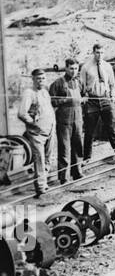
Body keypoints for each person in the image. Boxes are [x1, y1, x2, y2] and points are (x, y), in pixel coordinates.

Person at [79, 43, 115, 164]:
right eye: (97, 52)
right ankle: (86, 158)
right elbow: (81, 86)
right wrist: (85, 96)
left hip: (106, 100)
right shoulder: (86, 67)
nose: (99, 55)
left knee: (113, 129)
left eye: (101, 53)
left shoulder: (107, 67)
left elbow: (112, 85)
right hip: (92, 101)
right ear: (93, 53)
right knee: (89, 131)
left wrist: (112, 98)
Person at [17, 68, 55, 196]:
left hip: (49, 130)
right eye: (38, 79)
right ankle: (40, 187)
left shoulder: (45, 91)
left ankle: (44, 183)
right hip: (37, 133)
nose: (41, 81)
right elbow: (22, 113)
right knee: (40, 160)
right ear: (33, 79)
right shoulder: (29, 93)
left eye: (43, 78)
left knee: (48, 158)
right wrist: (33, 123)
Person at [48, 58, 84, 184]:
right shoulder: (58, 83)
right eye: (71, 68)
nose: (73, 71)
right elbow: (51, 101)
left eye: (76, 68)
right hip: (64, 119)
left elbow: (85, 95)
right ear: (66, 68)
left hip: (78, 118)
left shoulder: (79, 82)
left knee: (78, 145)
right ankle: (63, 177)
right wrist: (65, 100)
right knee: (64, 148)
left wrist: (82, 99)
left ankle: (77, 173)